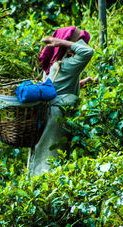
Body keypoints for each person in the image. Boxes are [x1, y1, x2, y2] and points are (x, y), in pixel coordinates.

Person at [28, 26, 96, 176]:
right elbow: (88, 52)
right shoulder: (66, 63)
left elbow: (57, 86)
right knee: (50, 156)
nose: (80, 45)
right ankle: (45, 189)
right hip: (57, 114)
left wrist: (82, 82)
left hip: (50, 111)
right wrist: (61, 42)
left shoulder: (56, 64)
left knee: (43, 151)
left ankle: (36, 187)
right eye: (77, 41)